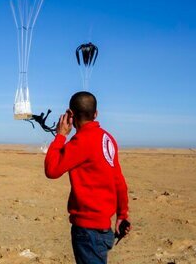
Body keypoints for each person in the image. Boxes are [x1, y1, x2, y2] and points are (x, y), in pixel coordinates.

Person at [44, 91, 130, 264]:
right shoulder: (107, 138)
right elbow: (118, 179)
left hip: (87, 229)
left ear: (70, 114)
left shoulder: (80, 141)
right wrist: (122, 214)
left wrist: (60, 136)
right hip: (103, 228)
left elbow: (52, 170)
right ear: (96, 113)